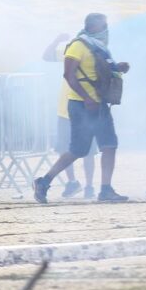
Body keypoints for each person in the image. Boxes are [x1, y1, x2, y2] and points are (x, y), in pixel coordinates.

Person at [33, 13, 131, 204]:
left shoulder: (99, 48)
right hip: (81, 106)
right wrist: (86, 98)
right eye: (104, 26)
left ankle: (106, 189)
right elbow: (68, 75)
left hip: (100, 104)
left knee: (109, 145)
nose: (107, 30)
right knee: (78, 150)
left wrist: (118, 67)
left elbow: (101, 71)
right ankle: (44, 181)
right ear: (94, 27)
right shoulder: (78, 45)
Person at [43, 33, 97, 198]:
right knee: (64, 148)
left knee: (88, 150)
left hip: (83, 108)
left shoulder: (94, 54)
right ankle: (73, 183)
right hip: (66, 109)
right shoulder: (71, 51)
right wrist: (57, 41)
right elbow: (46, 56)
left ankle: (89, 185)